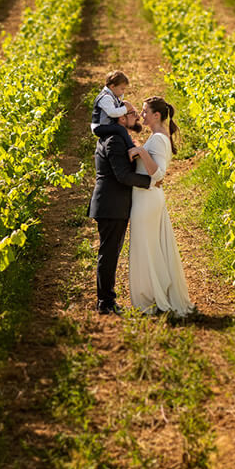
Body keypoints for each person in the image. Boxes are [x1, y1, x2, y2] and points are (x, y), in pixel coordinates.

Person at [88, 102, 163, 315]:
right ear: (121, 118)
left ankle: (107, 299)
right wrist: (150, 182)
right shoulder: (113, 141)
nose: (136, 117)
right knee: (109, 253)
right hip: (110, 205)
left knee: (111, 251)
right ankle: (105, 302)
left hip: (113, 205)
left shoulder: (116, 138)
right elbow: (122, 175)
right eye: (132, 113)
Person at [127, 96, 193, 316]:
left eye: (145, 111)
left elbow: (159, 174)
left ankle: (153, 298)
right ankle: (156, 295)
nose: (142, 115)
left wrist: (141, 152)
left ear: (157, 115)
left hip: (147, 198)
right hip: (149, 197)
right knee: (150, 246)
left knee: (146, 247)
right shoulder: (158, 137)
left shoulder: (158, 139)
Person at [91, 70, 149, 162]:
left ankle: (129, 145)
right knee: (120, 129)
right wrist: (126, 108)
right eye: (122, 89)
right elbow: (112, 113)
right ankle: (131, 148)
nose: (123, 91)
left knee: (121, 130)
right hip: (99, 127)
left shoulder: (112, 95)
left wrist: (121, 96)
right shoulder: (105, 97)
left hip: (104, 125)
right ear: (112, 86)